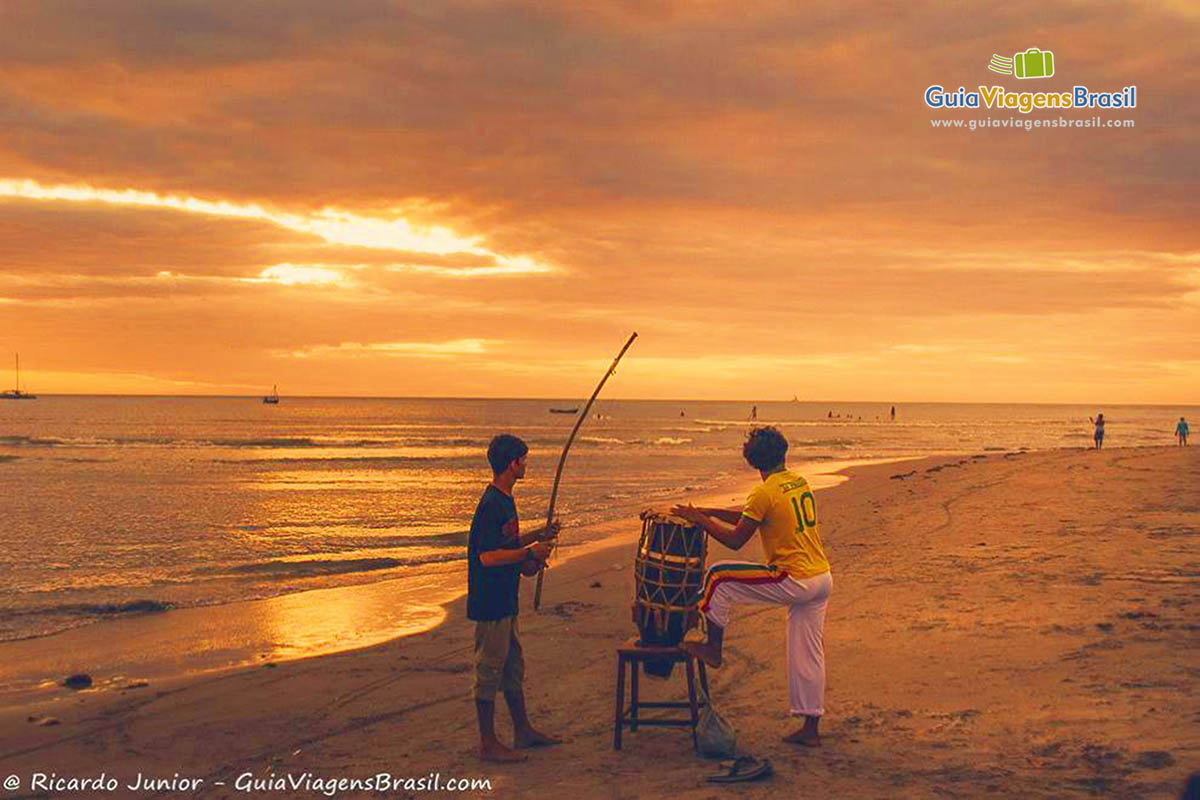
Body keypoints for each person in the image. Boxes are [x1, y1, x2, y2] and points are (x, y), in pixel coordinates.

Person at [671, 426, 832, 748]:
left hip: (793, 577)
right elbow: (753, 517)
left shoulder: (763, 492)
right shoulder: (796, 481)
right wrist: (708, 511)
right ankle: (810, 727)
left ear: (751, 460)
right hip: (821, 578)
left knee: (719, 577)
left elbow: (736, 540)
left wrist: (701, 521)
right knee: (808, 654)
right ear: (783, 453)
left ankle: (713, 648)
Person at [467, 434, 562, 762]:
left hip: (506, 599)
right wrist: (528, 551)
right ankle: (487, 743)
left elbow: (509, 543)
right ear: (513, 464)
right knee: (489, 669)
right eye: (524, 459)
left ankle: (523, 731)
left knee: (512, 666)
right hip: (491, 602)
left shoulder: (506, 499)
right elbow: (487, 557)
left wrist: (539, 537)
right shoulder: (491, 503)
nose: (527, 464)